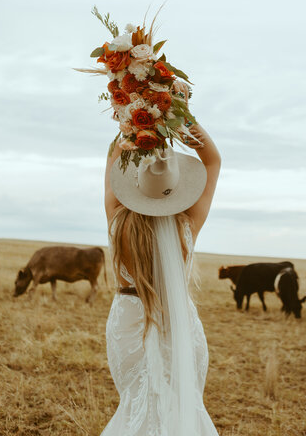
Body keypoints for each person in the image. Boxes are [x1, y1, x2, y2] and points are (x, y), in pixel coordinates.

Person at [101, 80, 221, 436]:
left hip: (128, 321)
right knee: (185, 406)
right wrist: (179, 114)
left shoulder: (117, 218)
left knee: (135, 403)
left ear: (133, 183)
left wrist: (136, 111)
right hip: (180, 321)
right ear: (176, 187)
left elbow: (111, 155)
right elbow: (213, 160)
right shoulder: (187, 227)